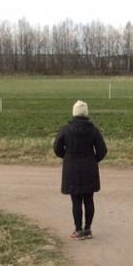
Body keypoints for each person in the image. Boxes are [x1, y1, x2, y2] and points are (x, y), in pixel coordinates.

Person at [53, 100, 108, 239]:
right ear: (86, 113)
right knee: (89, 199)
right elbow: (102, 150)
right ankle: (88, 229)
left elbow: (57, 148)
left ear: (74, 113)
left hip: (72, 168)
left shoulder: (66, 129)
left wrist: (66, 156)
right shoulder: (93, 130)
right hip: (89, 168)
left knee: (76, 200)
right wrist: (93, 159)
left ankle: (78, 230)